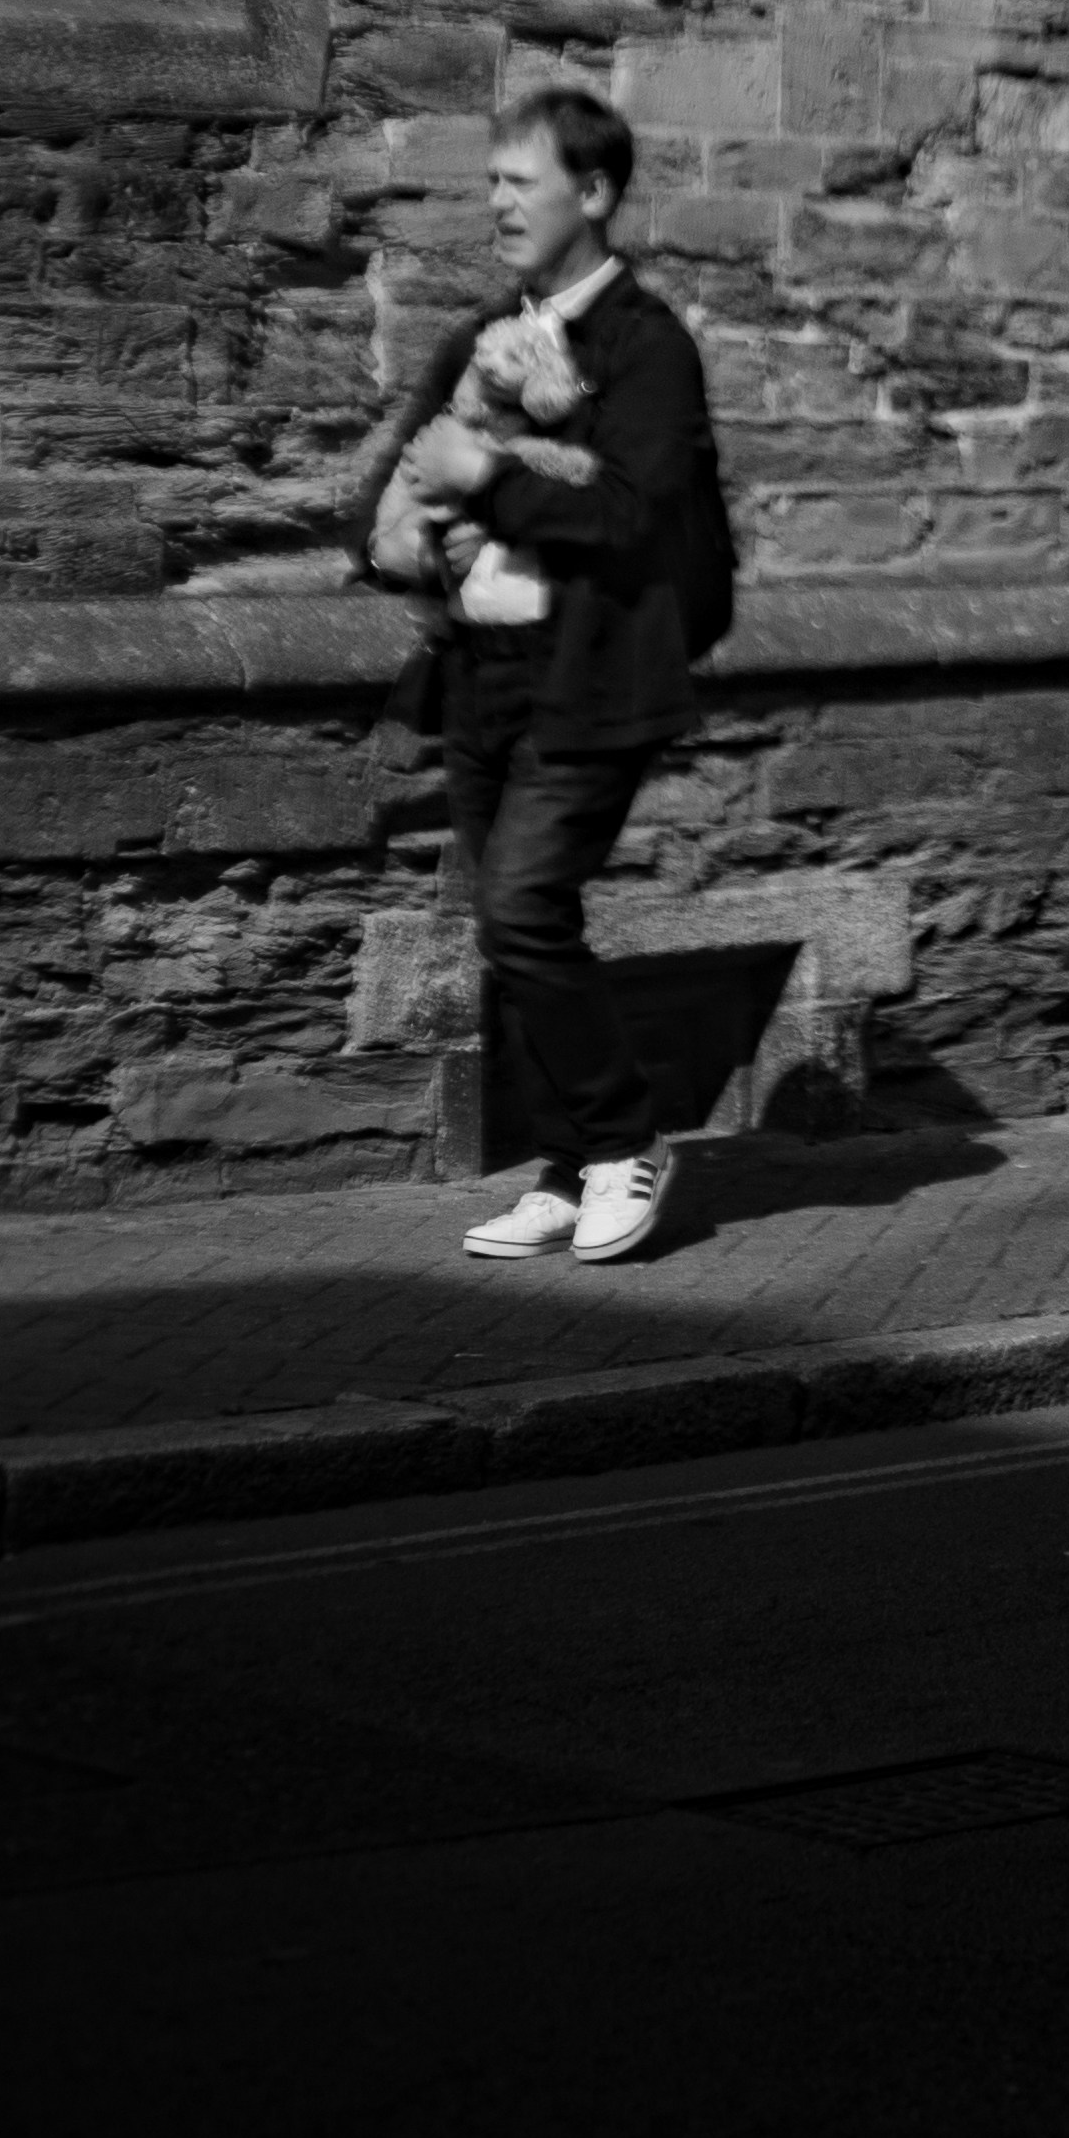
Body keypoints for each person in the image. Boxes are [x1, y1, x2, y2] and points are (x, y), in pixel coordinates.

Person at [363, 87, 730, 1264]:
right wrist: (411, 528)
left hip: (596, 681)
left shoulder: (646, 344)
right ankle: (570, 1171)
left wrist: (485, 475)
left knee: (521, 908)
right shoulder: (485, 333)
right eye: (493, 183)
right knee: (509, 922)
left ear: (597, 193)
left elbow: (633, 518)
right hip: (484, 672)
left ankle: (631, 1141)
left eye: (523, 182)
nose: (499, 201)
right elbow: (404, 477)